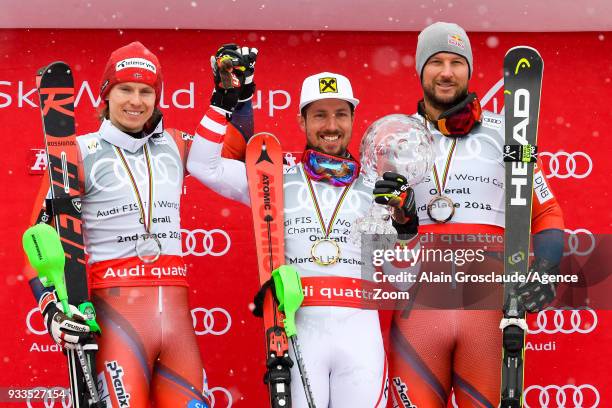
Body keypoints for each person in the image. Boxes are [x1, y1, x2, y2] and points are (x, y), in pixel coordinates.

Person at [25, 41, 256, 407]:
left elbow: (239, 154)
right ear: (106, 94)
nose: (136, 100)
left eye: (146, 91)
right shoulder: (76, 152)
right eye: (125, 89)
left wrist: (238, 96)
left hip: (177, 325)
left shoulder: (176, 144)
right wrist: (52, 308)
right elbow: (38, 242)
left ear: (157, 96)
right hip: (116, 318)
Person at [187, 71, 418, 407]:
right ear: (301, 120)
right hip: (298, 331)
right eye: (320, 115)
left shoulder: (377, 190)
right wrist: (222, 103)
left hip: (359, 335)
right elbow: (202, 165)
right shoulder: (274, 176)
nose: (331, 125)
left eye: (340, 114)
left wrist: (406, 226)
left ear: (354, 119)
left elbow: (404, 281)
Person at [388, 22, 565, 407]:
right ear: (421, 70)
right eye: (436, 61)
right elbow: (372, 227)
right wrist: (398, 225)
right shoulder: (395, 139)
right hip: (418, 314)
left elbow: (547, 210)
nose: (447, 72)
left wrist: (546, 269)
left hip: (488, 315)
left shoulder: (507, 134)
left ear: (470, 71)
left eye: (457, 62)